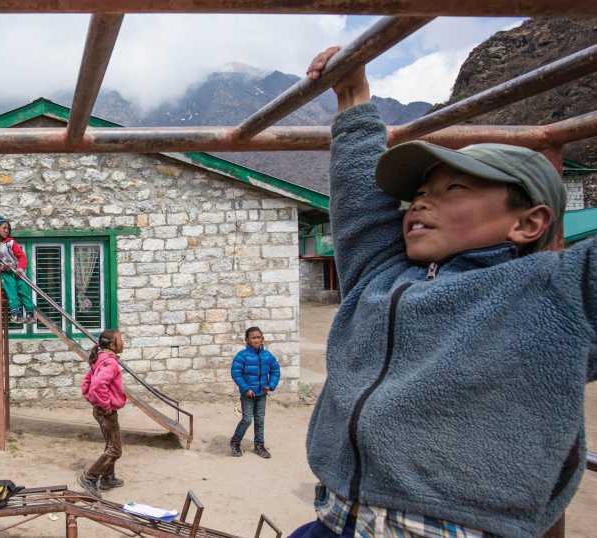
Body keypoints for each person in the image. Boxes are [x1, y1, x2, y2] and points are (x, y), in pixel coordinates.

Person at [289, 46, 596, 538]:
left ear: (528, 222)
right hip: (340, 517)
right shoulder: (382, 276)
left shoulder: (557, 290)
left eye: (454, 190)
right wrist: (352, 97)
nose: (422, 202)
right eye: (418, 195)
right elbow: (361, 205)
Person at [77, 329, 127, 496]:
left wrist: (94, 400)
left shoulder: (100, 358)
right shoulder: (110, 363)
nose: (123, 343)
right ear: (112, 345)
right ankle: (90, 477)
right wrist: (106, 406)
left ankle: (107, 478)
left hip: (101, 409)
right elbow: (97, 385)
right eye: (120, 340)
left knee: (110, 444)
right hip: (106, 411)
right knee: (115, 450)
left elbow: (86, 382)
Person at [229, 326, 280, 459]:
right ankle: (235, 442)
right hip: (248, 394)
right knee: (247, 419)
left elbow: (275, 371)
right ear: (247, 340)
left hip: (262, 394)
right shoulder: (242, 356)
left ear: (262, 339)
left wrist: (271, 385)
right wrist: (246, 388)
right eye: (253, 338)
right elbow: (236, 373)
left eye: (259, 337)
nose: (256, 340)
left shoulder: (267, 356)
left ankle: (259, 445)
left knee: (260, 420)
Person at [0, 215, 37, 324]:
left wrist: (21, 268)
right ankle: (15, 313)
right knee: (11, 284)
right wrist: (1, 267)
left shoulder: (11, 242)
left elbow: (21, 256)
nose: (7, 231)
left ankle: (30, 313)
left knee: (23, 285)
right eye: (4, 228)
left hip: (13, 271)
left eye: (8, 228)